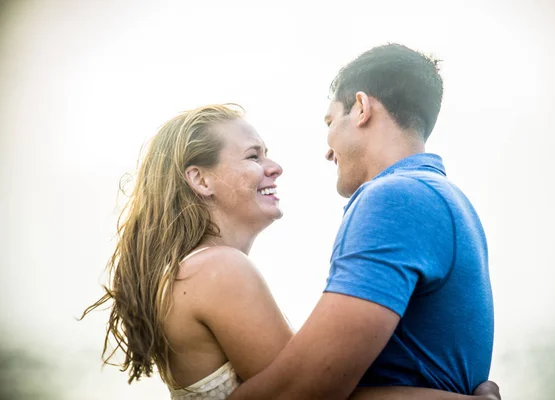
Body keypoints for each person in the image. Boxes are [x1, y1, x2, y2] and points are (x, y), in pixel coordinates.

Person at [81, 103, 499, 400]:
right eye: (253, 155)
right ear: (200, 180)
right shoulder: (219, 270)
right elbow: (312, 392)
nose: (275, 166)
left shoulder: (191, 272)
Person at [226, 44, 495, 400]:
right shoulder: (448, 200)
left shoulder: (394, 198)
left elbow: (305, 389)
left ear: (362, 108)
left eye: (330, 121)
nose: (326, 150)